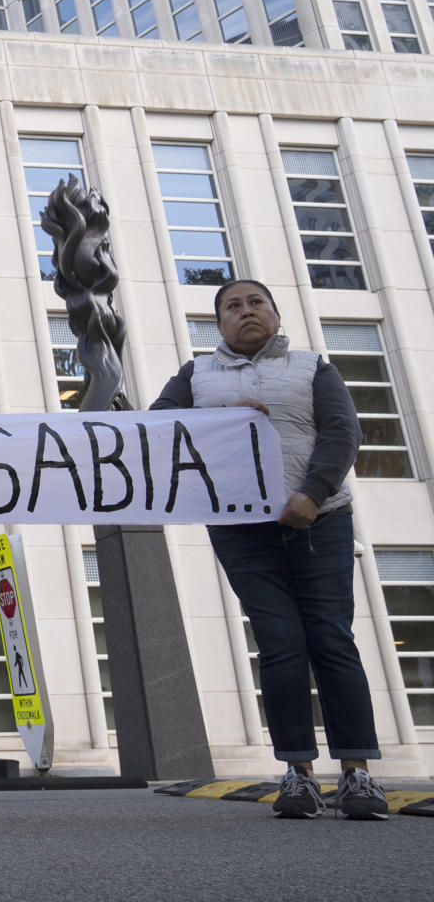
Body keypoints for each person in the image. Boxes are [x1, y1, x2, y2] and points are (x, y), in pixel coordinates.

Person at [149, 278, 387, 820]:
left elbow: (342, 431)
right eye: (232, 306)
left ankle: (357, 776)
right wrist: (223, 412)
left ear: (275, 315)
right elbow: (157, 427)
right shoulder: (196, 376)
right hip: (240, 531)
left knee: (331, 638)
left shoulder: (312, 367)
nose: (246, 311)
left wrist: (312, 492)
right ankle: (299, 774)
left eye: (256, 302)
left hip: (319, 521)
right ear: (219, 325)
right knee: (280, 641)